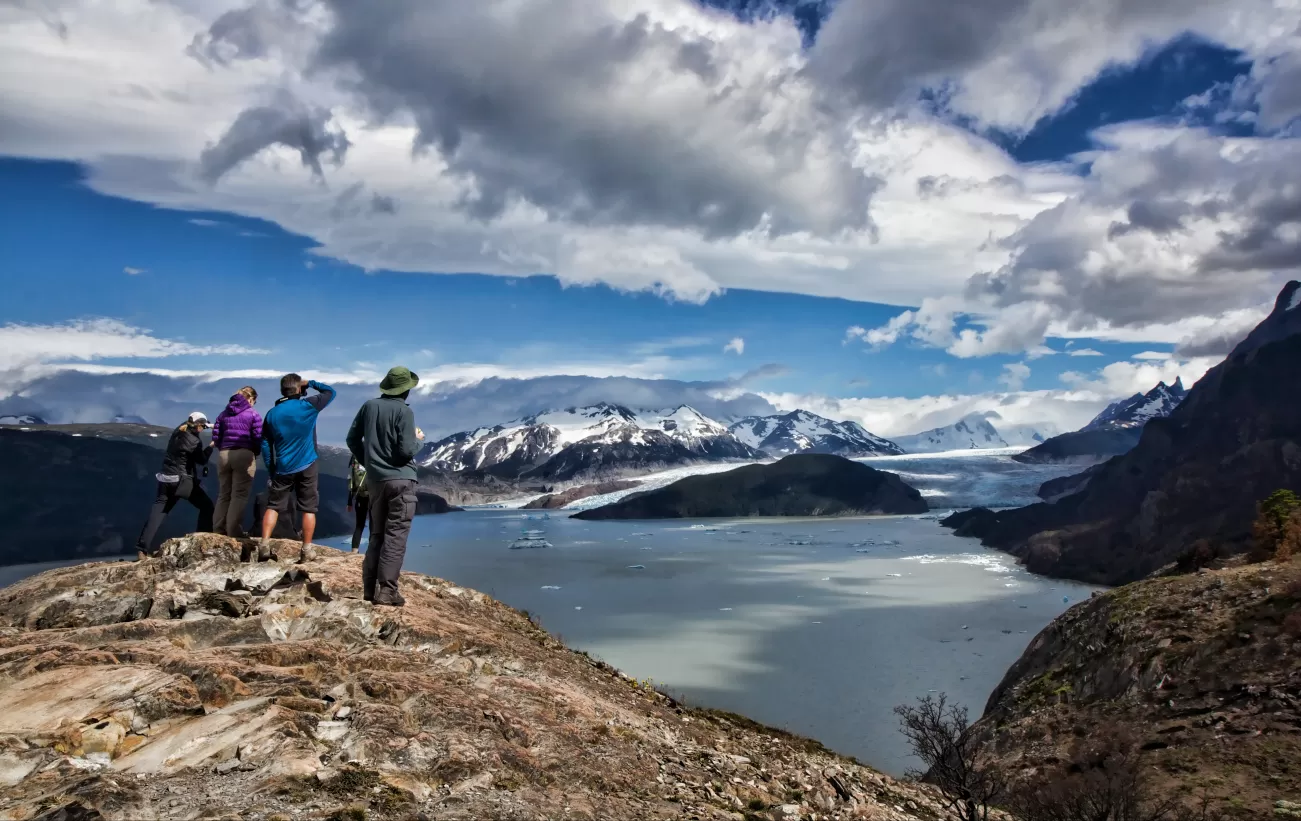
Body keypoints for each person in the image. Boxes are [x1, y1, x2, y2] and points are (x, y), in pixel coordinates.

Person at [346, 366, 425, 606]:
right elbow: (405, 451)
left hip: (376, 481)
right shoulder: (404, 412)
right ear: (406, 391)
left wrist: (369, 462)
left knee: (377, 535)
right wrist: (419, 440)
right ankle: (388, 591)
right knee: (396, 536)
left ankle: (369, 590)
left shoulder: (369, 406)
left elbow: (352, 439)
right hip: (401, 480)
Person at [259, 373, 335, 562]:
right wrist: (310, 382)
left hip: (283, 467)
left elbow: (266, 444)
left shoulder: (271, 413)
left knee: (274, 506)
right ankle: (307, 549)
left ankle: (264, 545)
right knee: (309, 508)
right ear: (299, 389)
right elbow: (331, 392)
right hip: (307, 463)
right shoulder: (308, 405)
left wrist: (271, 468)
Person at [136, 411, 215, 559]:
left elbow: (193, 425)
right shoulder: (194, 441)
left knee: (158, 513)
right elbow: (202, 459)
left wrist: (207, 425)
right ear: (198, 426)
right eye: (202, 427)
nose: (202, 429)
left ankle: (142, 548)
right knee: (207, 506)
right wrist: (211, 446)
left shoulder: (178, 431)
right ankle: (202, 543)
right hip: (182, 481)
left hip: (165, 479)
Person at [211, 386, 263, 537]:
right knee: (239, 494)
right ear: (251, 399)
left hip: (224, 454)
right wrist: (254, 452)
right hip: (244, 453)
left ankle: (218, 529)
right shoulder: (253, 414)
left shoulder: (223, 414)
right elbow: (257, 437)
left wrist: (223, 448)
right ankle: (233, 530)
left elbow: (216, 436)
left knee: (223, 493)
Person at [346, 455, 370, 554]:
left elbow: (351, 482)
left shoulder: (355, 458)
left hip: (359, 496)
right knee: (375, 525)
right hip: (373, 496)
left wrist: (349, 502)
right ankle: (373, 552)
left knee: (359, 525)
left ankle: (354, 551)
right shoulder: (373, 454)